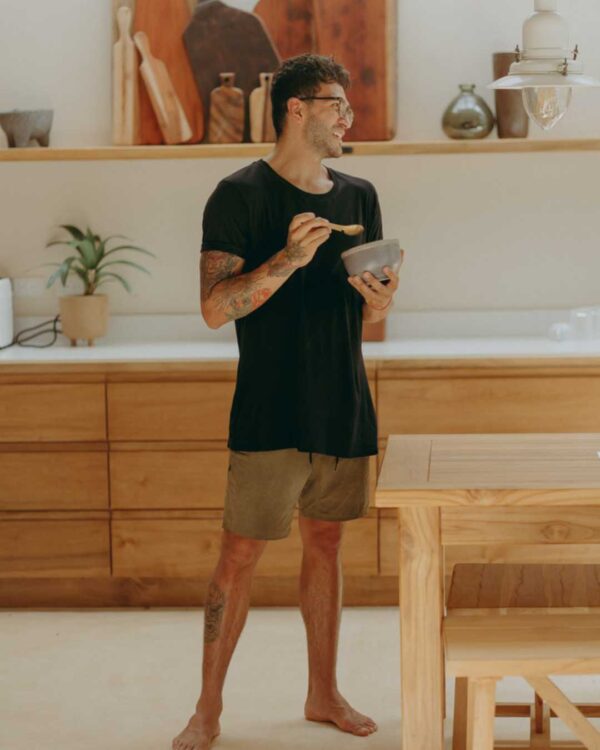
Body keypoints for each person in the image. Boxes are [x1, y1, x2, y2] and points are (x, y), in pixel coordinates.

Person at [172, 53, 400, 750]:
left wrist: (383, 301)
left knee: (326, 546)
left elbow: (370, 319)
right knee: (239, 556)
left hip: (344, 406)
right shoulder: (238, 195)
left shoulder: (359, 196)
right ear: (295, 109)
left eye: (348, 106)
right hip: (270, 409)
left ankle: (322, 692)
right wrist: (288, 260)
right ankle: (207, 709)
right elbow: (215, 309)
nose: (346, 117)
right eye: (335, 104)